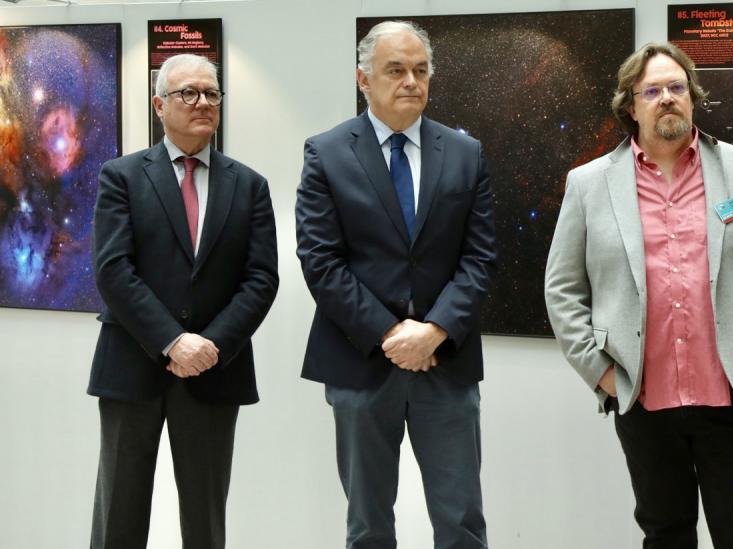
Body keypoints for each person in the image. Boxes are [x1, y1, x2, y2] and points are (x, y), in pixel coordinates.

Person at [544, 42, 733, 549]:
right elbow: (563, 288)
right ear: (630, 105)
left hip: (728, 390)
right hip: (641, 396)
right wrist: (602, 374)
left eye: (676, 87)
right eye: (652, 90)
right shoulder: (589, 185)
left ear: (693, 97)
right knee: (665, 535)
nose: (666, 98)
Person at [295, 20, 495, 549]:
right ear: (364, 79)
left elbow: (480, 258)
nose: (411, 81)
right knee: (368, 527)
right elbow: (320, 261)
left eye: (421, 70)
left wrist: (432, 332)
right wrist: (390, 334)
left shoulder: (465, 153)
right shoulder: (327, 152)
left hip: (445, 363)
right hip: (360, 364)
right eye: (396, 70)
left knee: (462, 523)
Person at [89, 53, 279, 549]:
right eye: (188, 93)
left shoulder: (250, 186)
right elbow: (113, 270)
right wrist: (172, 341)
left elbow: (261, 279)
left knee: (205, 520)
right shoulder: (122, 176)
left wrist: (209, 346)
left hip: (216, 372)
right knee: (119, 516)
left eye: (211, 93)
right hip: (132, 365)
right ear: (159, 104)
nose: (202, 103)